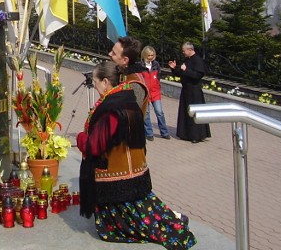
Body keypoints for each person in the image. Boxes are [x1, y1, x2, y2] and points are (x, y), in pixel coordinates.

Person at [77, 60, 197, 249]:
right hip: (131, 169)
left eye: (96, 81)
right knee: (143, 208)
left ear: (106, 82)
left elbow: (95, 146)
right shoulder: (125, 97)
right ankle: (172, 220)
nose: (95, 85)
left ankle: (170, 226)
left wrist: (81, 138)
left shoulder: (112, 108)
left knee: (131, 220)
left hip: (117, 175)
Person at [168, 42, 211, 143]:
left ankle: (196, 135)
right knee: (186, 113)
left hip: (194, 91)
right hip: (186, 90)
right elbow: (181, 72)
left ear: (190, 50)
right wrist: (174, 68)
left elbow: (197, 75)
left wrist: (186, 70)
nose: (183, 53)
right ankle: (186, 133)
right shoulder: (187, 59)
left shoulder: (198, 60)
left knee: (195, 113)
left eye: (184, 51)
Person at [108, 36, 148, 113]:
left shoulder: (135, 84)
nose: (109, 54)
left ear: (125, 60)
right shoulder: (121, 74)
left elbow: (129, 116)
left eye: (114, 53)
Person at [138, 45, 171, 141]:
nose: (150, 57)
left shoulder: (156, 64)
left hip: (155, 92)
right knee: (146, 113)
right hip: (145, 92)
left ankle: (164, 132)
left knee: (159, 112)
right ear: (144, 55)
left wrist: (157, 86)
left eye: (152, 55)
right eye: (148, 55)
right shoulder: (140, 65)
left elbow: (158, 76)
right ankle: (149, 133)